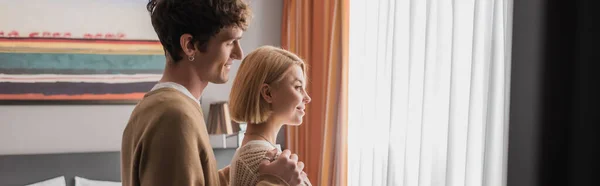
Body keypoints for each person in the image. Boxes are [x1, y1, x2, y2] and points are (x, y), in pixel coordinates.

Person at [120, 0, 304, 185]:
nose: (239, 54)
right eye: (230, 42)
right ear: (190, 45)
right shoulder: (175, 116)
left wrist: (244, 170)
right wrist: (273, 181)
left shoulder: (159, 107)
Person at [228, 46, 312, 186]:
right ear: (267, 93)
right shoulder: (266, 161)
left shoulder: (252, 156)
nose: (307, 97)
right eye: (298, 87)